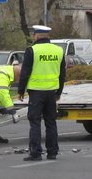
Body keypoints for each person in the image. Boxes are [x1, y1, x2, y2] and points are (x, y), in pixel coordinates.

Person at [17, 25, 66, 161]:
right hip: (52, 92)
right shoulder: (59, 51)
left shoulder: (32, 50)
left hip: (36, 93)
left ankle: (36, 153)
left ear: (37, 35)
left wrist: (21, 90)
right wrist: (59, 92)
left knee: (35, 122)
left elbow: (25, 72)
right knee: (51, 122)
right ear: (47, 36)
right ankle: (52, 152)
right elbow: (62, 74)